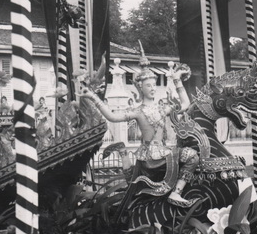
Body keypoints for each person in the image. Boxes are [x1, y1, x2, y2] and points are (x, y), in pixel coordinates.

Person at [80, 48, 198, 208]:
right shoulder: (138, 111)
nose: (153, 88)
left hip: (163, 152)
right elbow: (112, 116)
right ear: (140, 87)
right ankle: (176, 192)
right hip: (151, 157)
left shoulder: (162, 108)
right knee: (192, 156)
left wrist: (177, 80)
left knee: (191, 156)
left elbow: (185, 104)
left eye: (154, 85)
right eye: (148, 85)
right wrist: (93, 97)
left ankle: (174, 192)